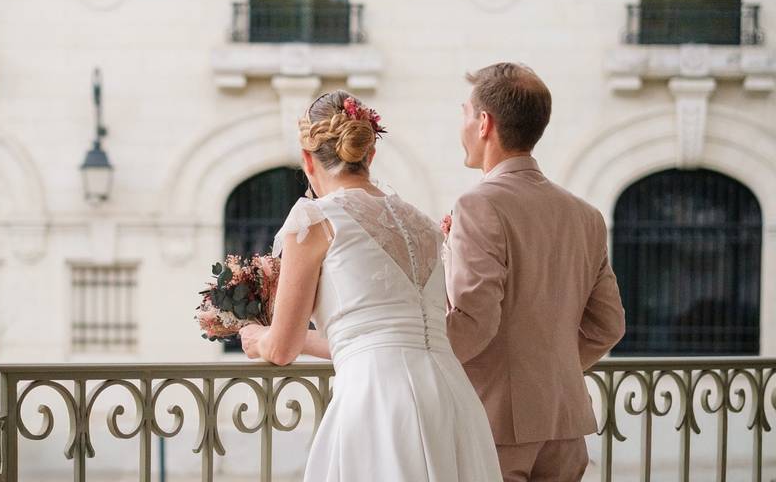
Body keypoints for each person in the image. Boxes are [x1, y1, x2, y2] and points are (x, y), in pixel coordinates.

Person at [240, 90, 501, 481]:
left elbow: (281, 348)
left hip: (379, 401)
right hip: (452, 396)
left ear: (307, 161)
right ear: (370, 155)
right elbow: (374, 334)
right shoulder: (425, 226)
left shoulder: (313, 219)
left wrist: (256, 335)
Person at [444, 63, 626, 482]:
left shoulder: (477, 205)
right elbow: (608, 326)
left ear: (484, 123)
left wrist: (418, 360)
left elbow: (474, 323)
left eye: (464, 113)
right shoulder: (586, 215)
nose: (463, 126)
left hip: (495, 423)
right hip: (566, 422)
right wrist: (548, 368)